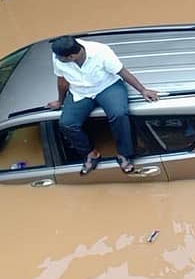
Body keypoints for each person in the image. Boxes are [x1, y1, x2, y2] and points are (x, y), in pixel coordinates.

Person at [46, 36, 159, 175]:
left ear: (72, 56)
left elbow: (122, 71)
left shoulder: (101, 52)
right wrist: (60, 101)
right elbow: (62, 80)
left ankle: (124, 154)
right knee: (66, 123)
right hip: (80, 92)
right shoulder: (58, 55)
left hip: (107, 87)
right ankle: (91, 154)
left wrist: (143, 90)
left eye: (61, 58)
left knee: (119, 114)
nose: (57, 59)